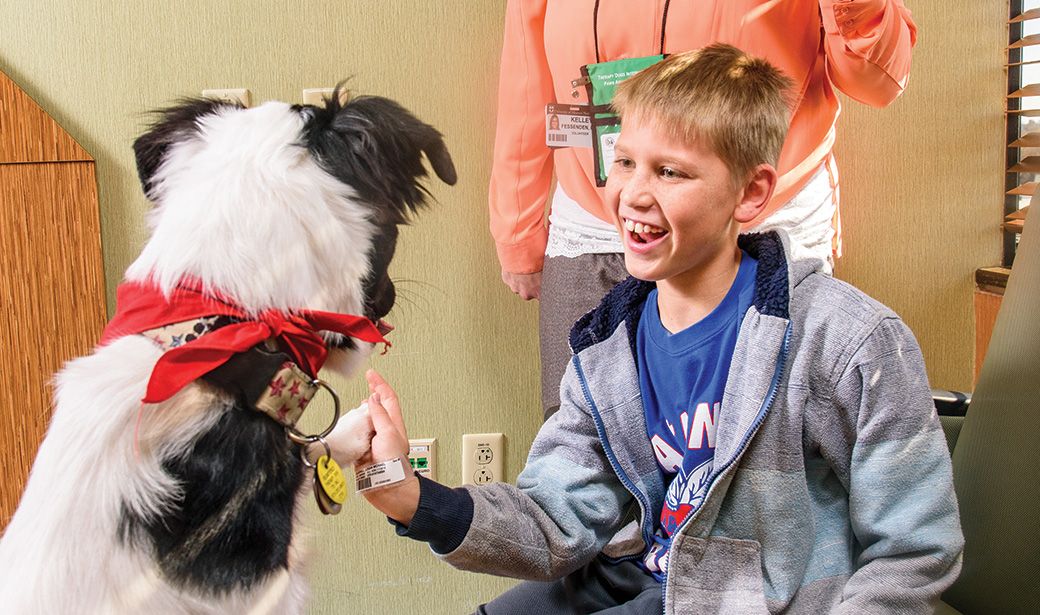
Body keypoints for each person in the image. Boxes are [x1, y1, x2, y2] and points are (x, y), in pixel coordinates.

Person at [358, 45, 963, 614]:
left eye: (670, 172)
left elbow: (915, 552)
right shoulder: (606, 349)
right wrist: (406, 492)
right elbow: (553, 520)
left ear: (750, 194)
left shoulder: (850, 339)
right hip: (643, 575)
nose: (633, 195)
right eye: (624, 162)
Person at [489, 0, 918, 419]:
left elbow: (875, 80)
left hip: (759, 226)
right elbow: (526, 76)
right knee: (583, 441)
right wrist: (516, 228)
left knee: (767, 447)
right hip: (595, 222)